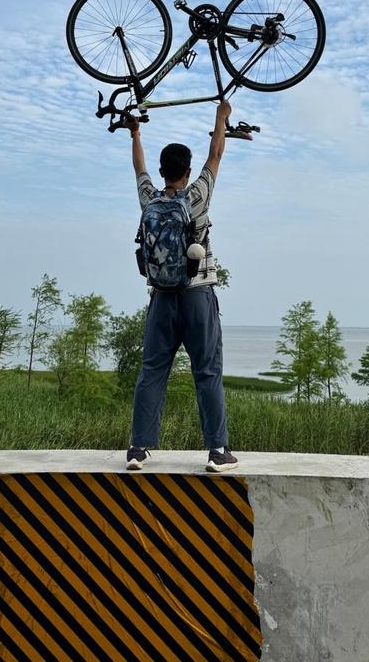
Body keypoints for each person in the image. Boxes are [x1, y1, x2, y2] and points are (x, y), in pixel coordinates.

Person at [124, 100, 238, 472]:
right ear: (187, 172)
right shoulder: (197, 196)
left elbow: (138, 168)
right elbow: (215, 155)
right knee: (207, 371)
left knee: (153, 370)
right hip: (197, 295)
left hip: (161, 297)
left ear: (162, 172)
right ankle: (217, 452)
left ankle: (138, 449)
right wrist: (221, 117)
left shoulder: (149, 200)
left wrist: (135, 133)